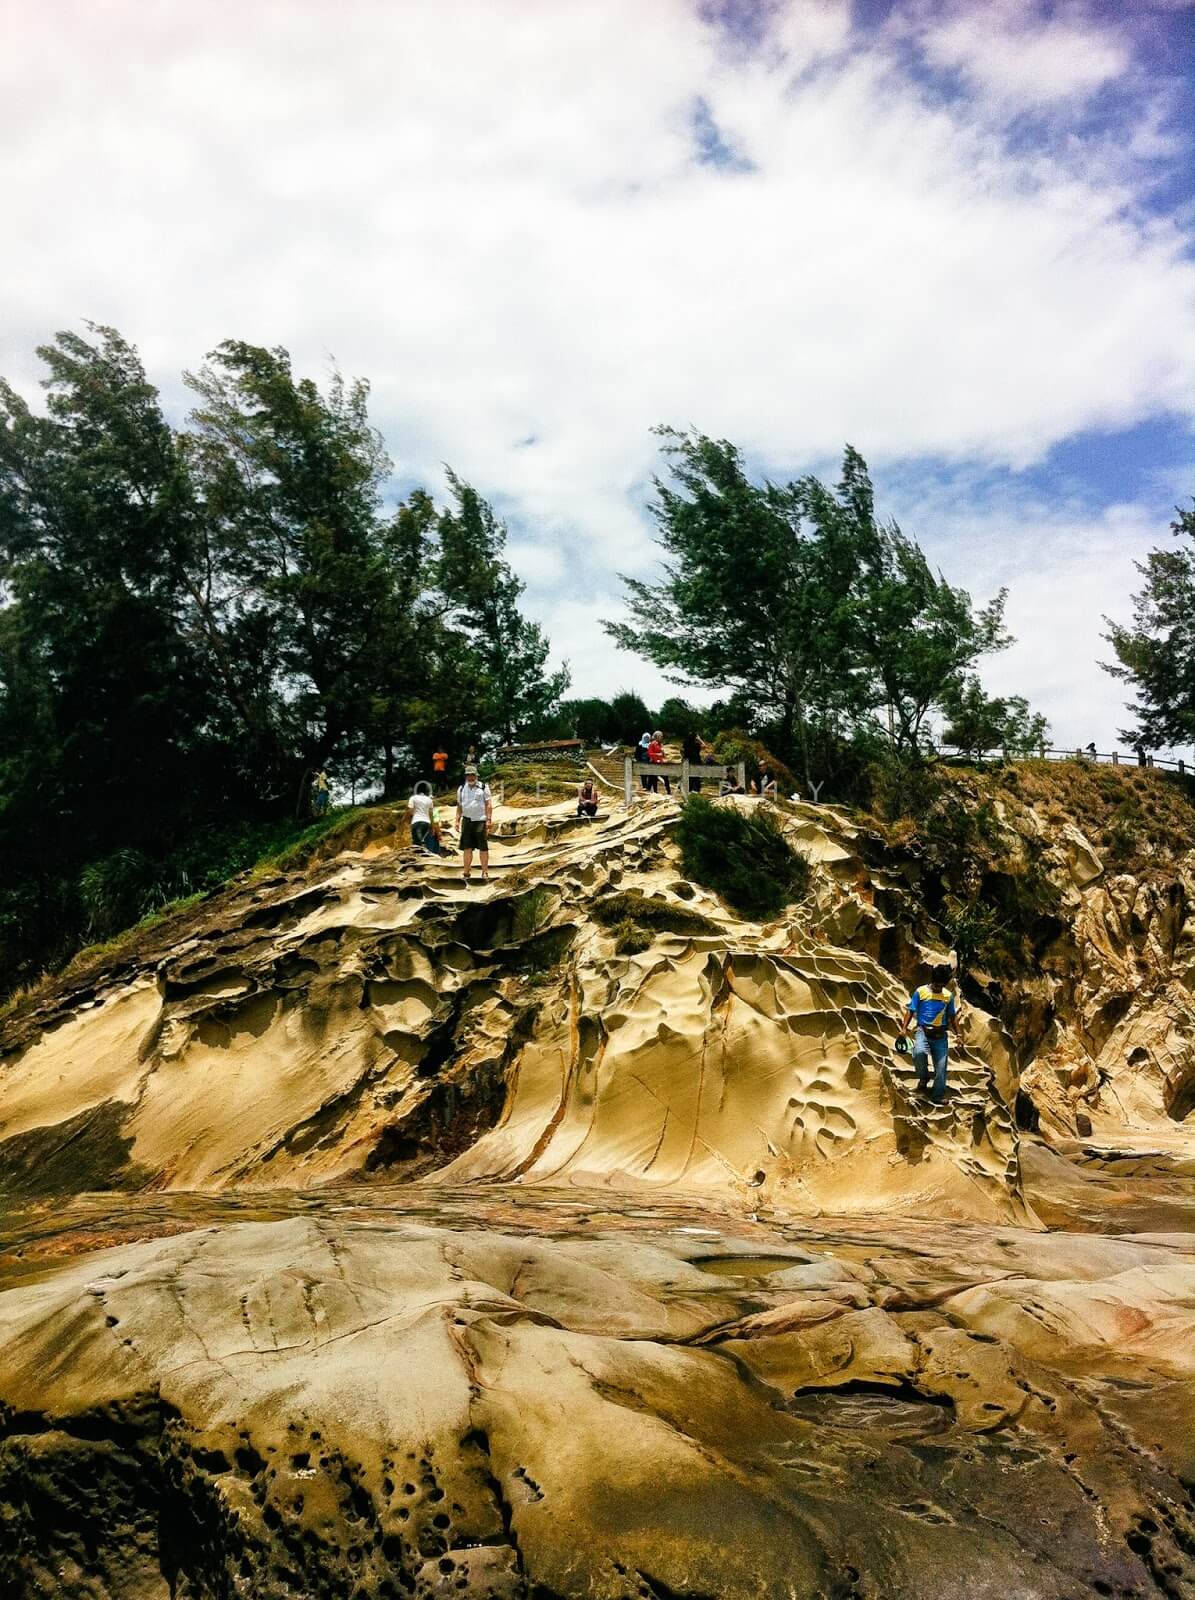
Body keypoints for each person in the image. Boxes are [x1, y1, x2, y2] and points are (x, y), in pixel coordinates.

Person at [899, 965, 961, 1104]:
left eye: (942, 985)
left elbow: (952, 1015)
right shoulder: (920, 992)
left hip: (940, 1036)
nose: (939, 988)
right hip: (922, 1031)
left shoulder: (947, 996)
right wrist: (904, 1028)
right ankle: (924, 1077)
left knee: (941, 1067)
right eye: (937, 984)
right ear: (932, 980)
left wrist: (959, 1035)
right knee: (918, 1053)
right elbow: (910, 1010)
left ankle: (937, 1095)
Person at [455, 766, 493, 883]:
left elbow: (489, 804)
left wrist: (489, 820)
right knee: (467, 847)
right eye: (468, 775)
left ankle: (485, 872)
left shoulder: (483, 787)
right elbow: (459, 806)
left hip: (480, 820)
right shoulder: (461, 789)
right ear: (466, 776)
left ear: (477, 776)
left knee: (483, 847)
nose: (470, 777)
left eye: (473, 775)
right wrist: (457, 820)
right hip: (466, 821)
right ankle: (466, 871)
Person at [408, 781, 442, 854]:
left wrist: (411, 816)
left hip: (416, 822)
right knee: (427, 843)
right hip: (427, 823)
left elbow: (410, 810)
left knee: (417, 844)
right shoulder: (429, 800)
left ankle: (419, 858)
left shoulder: (413, 798)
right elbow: (431, 814)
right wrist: (432, 827)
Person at [647, 730, 671, 795]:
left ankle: (669, 792)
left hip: (661, 763)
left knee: (666, 777)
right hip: (654, 762)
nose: (662, 737)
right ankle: (655, 792)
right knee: (654, 778)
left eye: (662, 736)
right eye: (661, 736)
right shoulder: (652, 744)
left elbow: (663, 754)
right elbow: (649, 754)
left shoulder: (661, 745)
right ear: (657, 736)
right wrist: (657, 754)